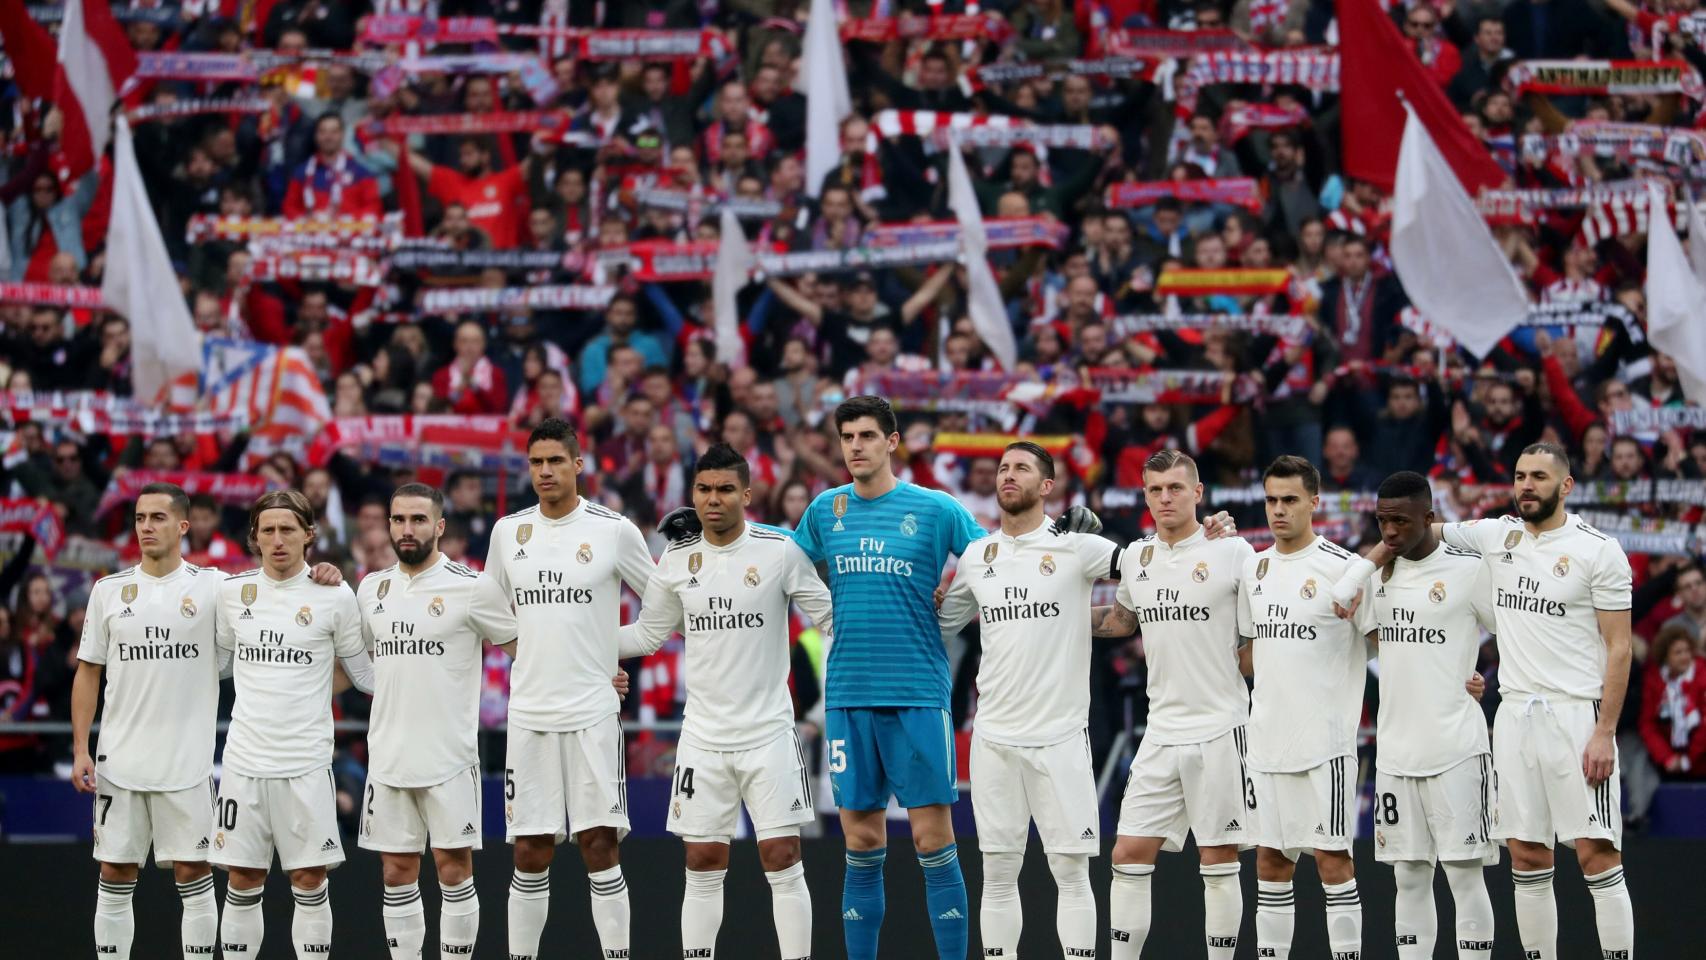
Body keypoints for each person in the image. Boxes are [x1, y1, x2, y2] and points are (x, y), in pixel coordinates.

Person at [787, 395, 984, 960]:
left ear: (892, 442)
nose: (855, 447)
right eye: (847, 437)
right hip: (848, 696)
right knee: (861, 840)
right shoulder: (826, 509)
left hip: (918, 694)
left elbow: (992, 561)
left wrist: (960, 595)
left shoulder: (935, 509)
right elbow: (786, 570)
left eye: (867, 436)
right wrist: (824, 614)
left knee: (932, 840)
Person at [618, 443, 831, 960]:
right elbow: (647, 636)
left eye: (725, 490)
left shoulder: (779, 551)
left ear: (747, 494)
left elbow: (829, 619)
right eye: (704, 490)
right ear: (693, 493)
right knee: (702, 858)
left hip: (769, 733)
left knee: (783, 856)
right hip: (703, 738)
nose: (713, 500)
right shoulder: (676, 559)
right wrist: (569, 643)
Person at [1431, 441, 1636, 959]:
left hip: (1577, 713)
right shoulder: (1496, 535)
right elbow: (1414, 530)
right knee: (1526, 856)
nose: (1526, 485)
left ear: (1565, 486)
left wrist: (1605, 732)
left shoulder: (1598, 550)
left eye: (1539, 477)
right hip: (1516, 714)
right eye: (1521, 475)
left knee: (1596, 853)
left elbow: (1620, 647)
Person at [937, 442, 1121, 960]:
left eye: (1021, 468)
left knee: (1070, 870)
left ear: (1047, 486)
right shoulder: (977, 556)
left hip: (1060, 735)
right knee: (997, 872)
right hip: (994, 736)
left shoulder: (1077, 547)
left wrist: (1206, 537)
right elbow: (943, 624)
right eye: (1002, 468)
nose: (1007, 475)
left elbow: (1148, 568)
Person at [484, 418, 656, 960]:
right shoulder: (508, 532)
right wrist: (533, 647)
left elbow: (663, 604)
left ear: (578, 464)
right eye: (535, 462)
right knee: (530, 849)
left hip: (592, 712)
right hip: (530, 711)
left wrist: (607, 650)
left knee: (599, 843)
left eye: (555, 461)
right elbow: (488, 608)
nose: (544, 471)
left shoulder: (613, 529)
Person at [1090, 449, 1256, 960]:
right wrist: (1048, 613)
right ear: (1144, 494)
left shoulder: (1235, 553)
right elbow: (1121, 621)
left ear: (1198, 493)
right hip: (1160, 729)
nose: (1165, 497)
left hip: (1221, 725)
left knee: (1218, 859)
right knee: (1128, 854)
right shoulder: (1138, 558)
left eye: (1176, 488)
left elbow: (1257, 641)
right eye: (1156, 489)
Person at [1329, 471, 1499, 958]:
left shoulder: (1468, 572)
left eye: (1401, 521)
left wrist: (1490, 679)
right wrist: (1376, 557)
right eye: (1382, 521)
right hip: (1396, 754)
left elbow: (1513, 631)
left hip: (1457, 750)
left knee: (1464, 875)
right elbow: (1340, 602)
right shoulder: (1378, 576)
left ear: (1430, 518)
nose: (1390, 531)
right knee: (1409, 876)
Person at [355, 483, 517, 959]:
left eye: (418, 520)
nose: (407, 529)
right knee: (396, 872)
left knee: (453, 868)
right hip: (387, 755)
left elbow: (522, 648)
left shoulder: (472, 587)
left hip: (450, 755)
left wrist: (591, 677)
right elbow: (351, 661)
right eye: (399, 519)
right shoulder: (371, 589)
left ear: (440, 527)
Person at [212, 490, 372, 959]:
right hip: (244, 762)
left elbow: (364, 675)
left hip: (306, 763)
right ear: (254, 538)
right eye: (268, 530)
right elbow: (215, 664)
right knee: (243, 877)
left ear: (309, 535)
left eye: (287, 529)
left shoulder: (335, 595)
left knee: (309, 878)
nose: (278, 540)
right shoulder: (230, 593)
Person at [70, 483, 227, 960]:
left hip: (188, 763)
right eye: (140, 518)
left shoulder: (215, 587)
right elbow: (88, 671)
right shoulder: (109, 591)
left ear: (183, 526)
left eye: (157, 518)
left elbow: (277, 594)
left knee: (194, 871)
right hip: (121, 760)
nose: (146, 527)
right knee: (115, 871)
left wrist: (320, 572)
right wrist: (80, 747)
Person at [1238, 455, 1376, 960]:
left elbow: (1387, 642)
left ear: (1314, 502)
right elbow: (1249, 653)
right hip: (1266, 741)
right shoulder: (1253, 567)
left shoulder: (1343, 568)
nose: (1279, 510)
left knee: (1332, 861)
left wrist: (1460, 678)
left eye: (1290, 500)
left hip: (1326, 744)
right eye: (1272, 500)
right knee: (1271, 863)